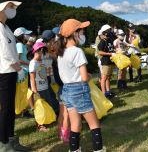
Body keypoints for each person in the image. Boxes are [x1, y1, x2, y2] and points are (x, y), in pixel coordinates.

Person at [55, 19, 106, 152]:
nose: (83, 34)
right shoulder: (77, 51)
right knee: (94, 124)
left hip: (67, 91)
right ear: (74, 33)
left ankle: (74, 149)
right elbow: (84, 77)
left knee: (75, 124)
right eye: (82, 31)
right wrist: (89, 76)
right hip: (79, 89)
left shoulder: (61, 53)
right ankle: (99, 149)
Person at [0, 0, 30, 151]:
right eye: (10, 6)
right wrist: (19, 69)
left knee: (10, 108)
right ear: (3, 7)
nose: (13, 9)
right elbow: (6, 54)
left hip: (10, 72)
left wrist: (17, 69)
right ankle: (3, 143)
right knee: (5, 109)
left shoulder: (6, 27)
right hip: (4, 73)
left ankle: (11, 139)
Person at [29, 42, 59, 131]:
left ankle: (48, 120)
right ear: (41, 50)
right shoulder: (33, 63)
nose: (44, 53)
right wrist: (34, 90)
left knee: (47, 105)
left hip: (45, 87)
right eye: (43, 51)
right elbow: (32, 78)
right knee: (39, 107)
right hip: (38, 89)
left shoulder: (40, 61)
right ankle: (40, 125)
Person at [14, 27, 34, 117]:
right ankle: (21, 111)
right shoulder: (19, 45)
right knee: (24, 92)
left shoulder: (22, 45)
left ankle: (23, 111)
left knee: (25, 92)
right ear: (22, 36)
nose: (28, 36)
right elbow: (17, 60)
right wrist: (29, 63)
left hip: (25, 71)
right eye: (26, 34)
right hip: (23, 72)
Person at [98, 24, 116, 99]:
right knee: (104, 78)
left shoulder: (109, 40)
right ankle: (104, 93)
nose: (110, 32)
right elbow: (100, 52)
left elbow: (111, 49)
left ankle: (108, 92)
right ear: (104, 32)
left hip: (111, 61)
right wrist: (110, 53)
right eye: (108, 31)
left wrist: (114, 52)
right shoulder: (102, 41)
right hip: (105, 62)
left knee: (108, 77)